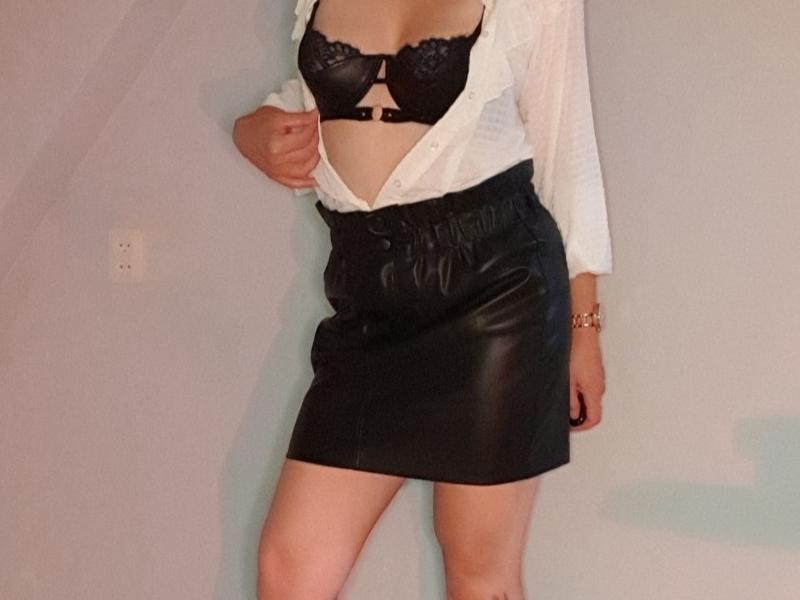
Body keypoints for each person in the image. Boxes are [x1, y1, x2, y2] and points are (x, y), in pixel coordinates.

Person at [232, 0, 613, 597]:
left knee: (478, 570)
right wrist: (251, 130)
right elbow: (317, 99)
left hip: (494, 289)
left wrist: (585, 326)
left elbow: (567, 147)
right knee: (289, 566)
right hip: (367, 293)